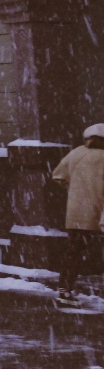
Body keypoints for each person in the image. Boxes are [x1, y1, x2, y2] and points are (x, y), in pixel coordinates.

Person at [51, 123, 104, 308]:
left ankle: (64, 290)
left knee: (73, 252)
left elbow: (57, 175)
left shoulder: (76, 153)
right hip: (99, 211)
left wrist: (75, 190)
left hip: (76, 212)